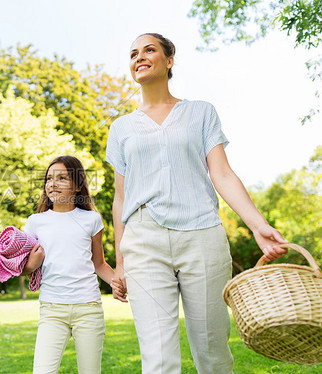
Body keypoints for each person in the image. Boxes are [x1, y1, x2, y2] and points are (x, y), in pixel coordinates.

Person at [106, 33, 288, 374]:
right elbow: (121, 199)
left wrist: (258, 226)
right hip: (143, 242)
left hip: (201, 235)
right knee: (158, 359)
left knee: (213, 353)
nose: (139, 57)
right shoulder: (121, 128)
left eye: (149, 50)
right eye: (133, 53)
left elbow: (222, 175)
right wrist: (120, 261)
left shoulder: (200, 113)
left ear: (169, 60)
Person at [22, 155, 117, 374]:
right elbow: (23, 268)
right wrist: (31, 265)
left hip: (88, 309)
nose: (52, 184)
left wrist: (118, 282)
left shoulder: (91, 220)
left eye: (62, 178)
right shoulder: (35, 222)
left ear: (77, 186)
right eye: (48, 179)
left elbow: (99, 264)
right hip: (52, 310)